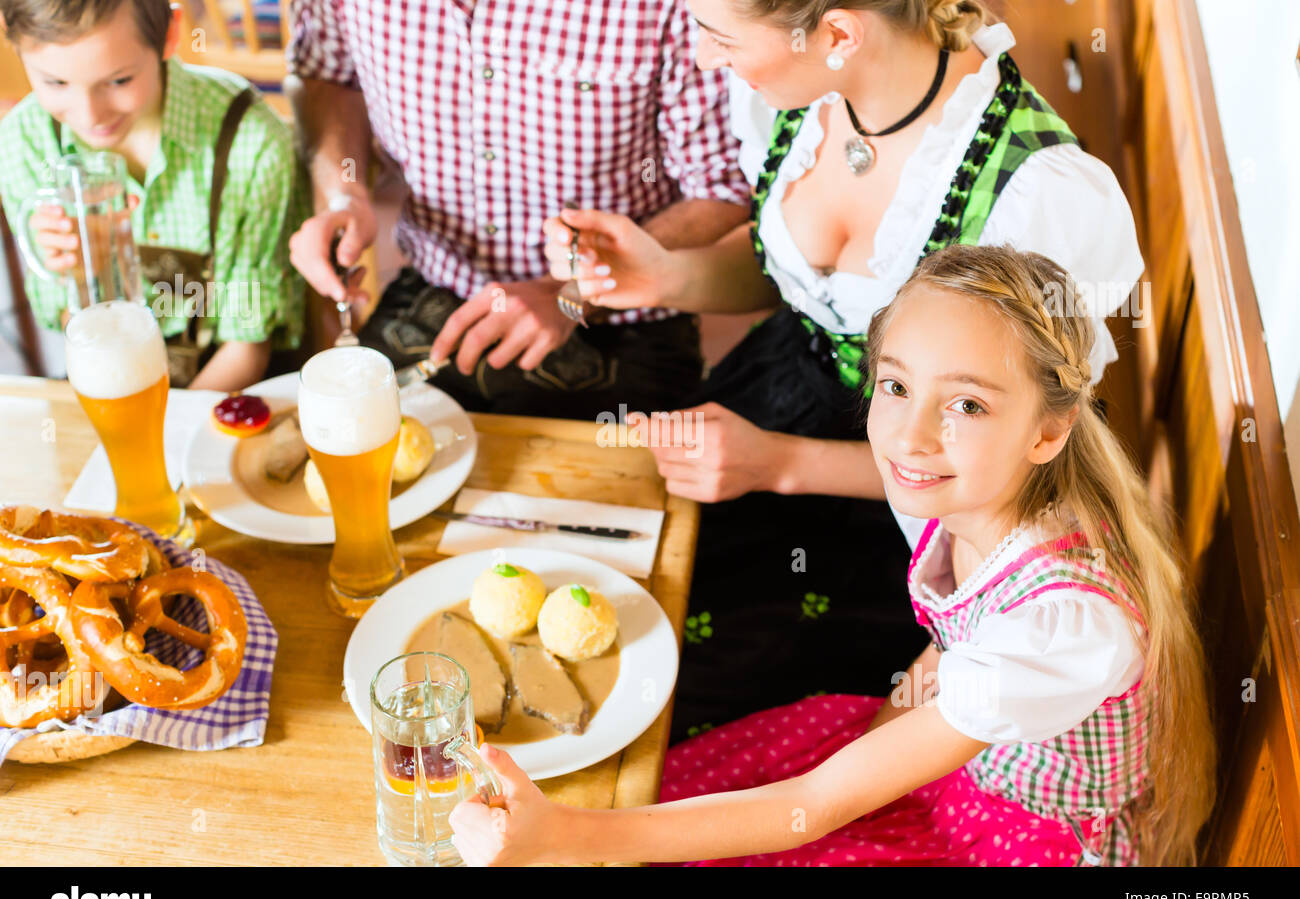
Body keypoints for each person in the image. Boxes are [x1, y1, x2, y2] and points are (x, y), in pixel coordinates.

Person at [447, 244, 1215, 867]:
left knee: (642, 832)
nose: (911, 438)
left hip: (1015, 844)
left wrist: (562, 839)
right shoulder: (985, 494)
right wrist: (876, 740)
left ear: (1049, 431)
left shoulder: (1065, 626)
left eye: (968, 405)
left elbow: (813, 807)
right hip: (953, 772)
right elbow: (950, 647)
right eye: (895, 387)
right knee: (674, 791)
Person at [544, 0, 1146, 740]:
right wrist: (668, 275)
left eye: (721, 36)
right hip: (769, 402)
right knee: (596, 571)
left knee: (661, 689)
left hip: (901, 519)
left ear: (837, 33)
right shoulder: (808, 95)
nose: (703, 57)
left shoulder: (1037, 197)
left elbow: (1017, 466)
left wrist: (783, 464)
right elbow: (799, 284)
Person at [284, 0, 752, 420]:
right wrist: (343, 193)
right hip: (436, 289)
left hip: (620, 321)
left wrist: (569, 292)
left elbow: (722, 188)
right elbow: (330, 74)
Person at [0, 0, 308, 391]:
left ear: (170, 34)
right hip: (108, 371)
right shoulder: (24, 142)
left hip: (222, 388)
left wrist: (168, 433)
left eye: (119, 80)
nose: (90, 114)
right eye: (56, 83)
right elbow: (69, 326)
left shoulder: (251, 144)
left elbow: (247, 345)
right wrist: (80, 277)